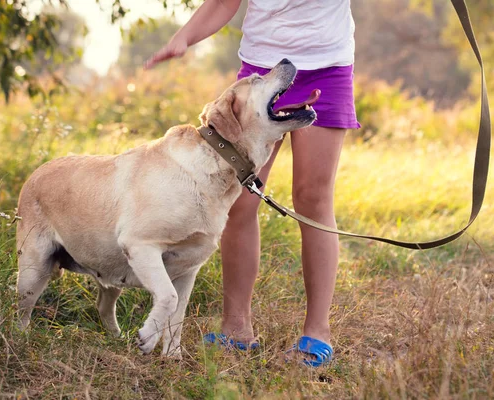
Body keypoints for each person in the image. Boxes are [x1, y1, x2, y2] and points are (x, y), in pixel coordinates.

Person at [146, 0, 360, 366]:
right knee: (240, 199)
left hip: (327, 66)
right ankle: (236, 328)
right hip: (263, 71)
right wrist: (184, 37)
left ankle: (316, 334)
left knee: (313, 197)